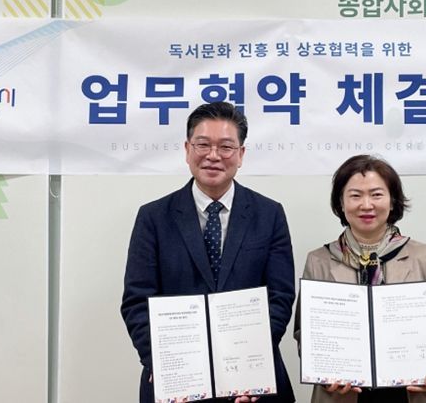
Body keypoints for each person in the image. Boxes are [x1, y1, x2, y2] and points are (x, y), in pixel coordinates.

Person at [121, 101, 296, 403]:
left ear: (241, 154)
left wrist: (250, 365)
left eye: (226, 147)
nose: (213, 155)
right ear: (187, 149)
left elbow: (280, 297)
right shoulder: (153, 217)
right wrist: (162, 363)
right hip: (177, 384)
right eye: (203, 144)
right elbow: (137, 301)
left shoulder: (269, 214)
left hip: (251, 385)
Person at [294, 155, 426, 403]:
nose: (366, 205)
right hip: (343, 394)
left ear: (392, 201)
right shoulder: (319, 260)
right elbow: (305, 333)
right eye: (355, 195)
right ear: (341, 203)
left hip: (414, 393)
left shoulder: (423, 255)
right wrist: (324, 371)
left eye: (376, 194)